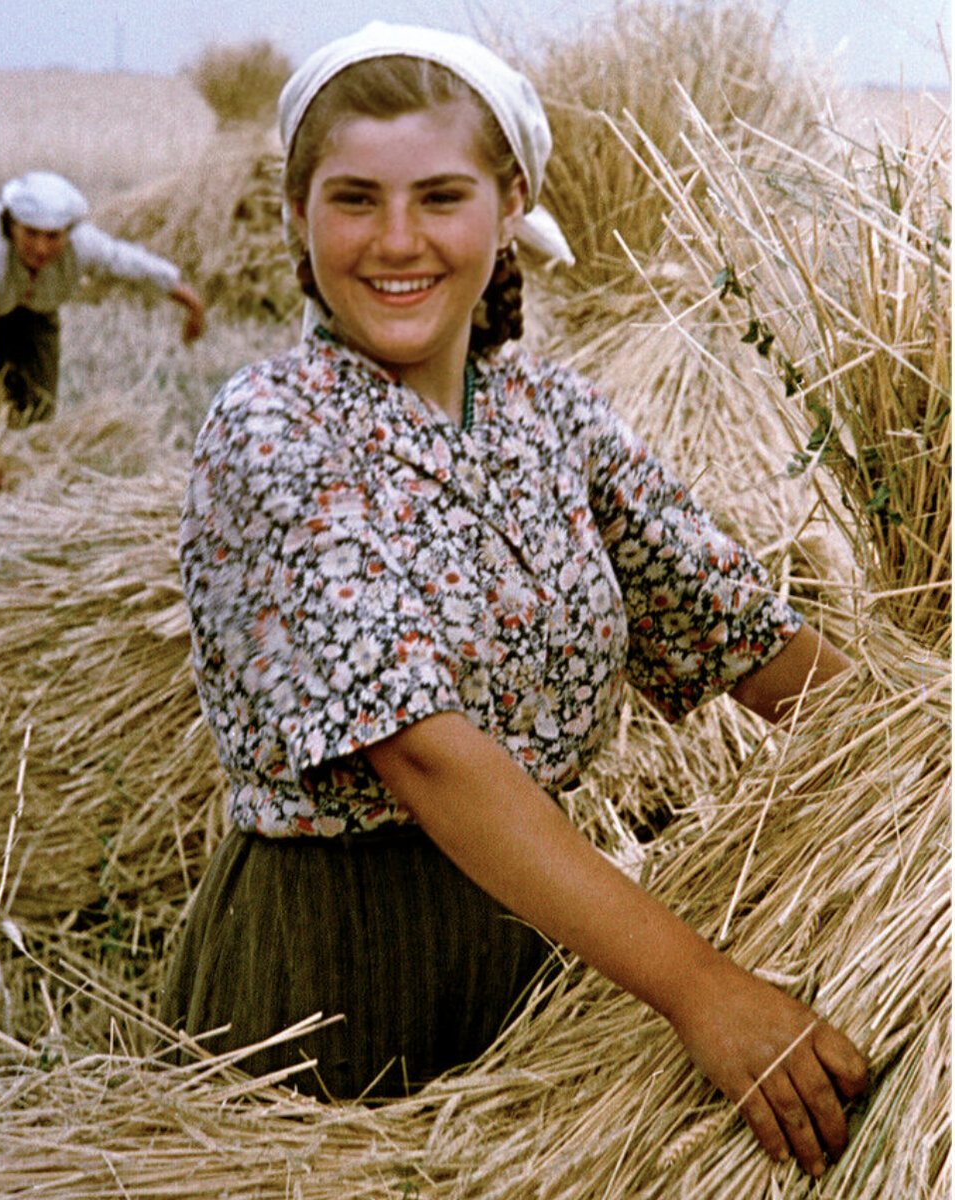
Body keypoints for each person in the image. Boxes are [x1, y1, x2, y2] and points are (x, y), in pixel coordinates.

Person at [166, 23, 868, 1178]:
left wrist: (915, 767)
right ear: (299, 215)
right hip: (332, 983)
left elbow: (741, 634)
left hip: (544, 942)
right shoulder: (273, 426)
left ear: (509, 205)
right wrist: (702, 989)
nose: (397, 241)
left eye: (441, 196)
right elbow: (424, 749)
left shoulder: (551, 414)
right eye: (355, 199)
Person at [0, 170, 206, 489]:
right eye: (31, 233)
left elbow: (127, 262)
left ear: (68, 233)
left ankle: (16, 498)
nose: (41, 249)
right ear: (12, 226)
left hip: (32, 298)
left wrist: (190, 301)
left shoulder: (82, 244)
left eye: (53, 237)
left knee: (37, 409)